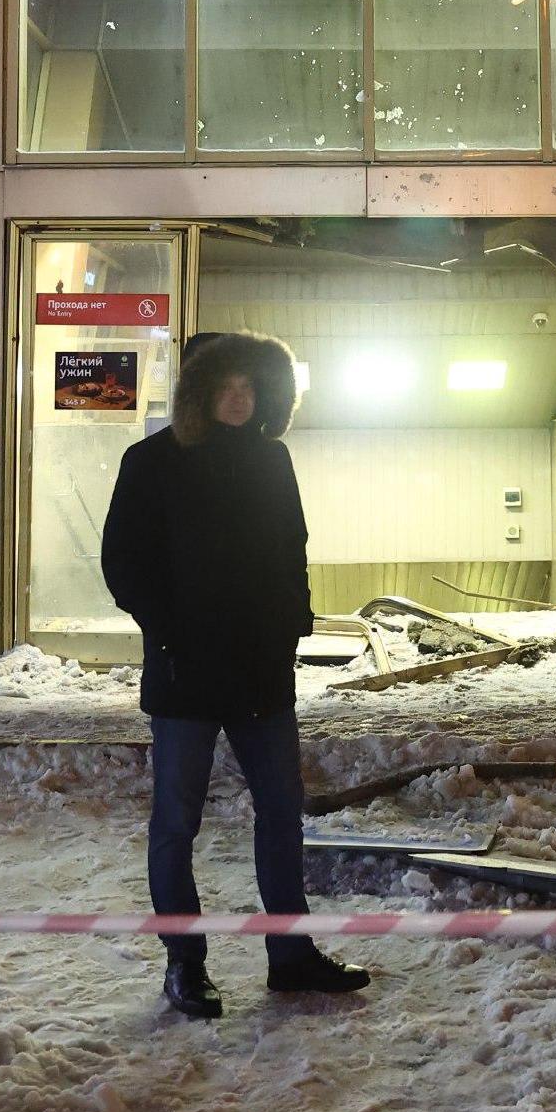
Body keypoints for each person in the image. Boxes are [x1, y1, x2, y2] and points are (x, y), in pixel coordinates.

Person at [100, 330, 369, 1018]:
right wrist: (171, 632)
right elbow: (123, 563)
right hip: (184, 674)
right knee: (176, 823)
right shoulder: (151, 462)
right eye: (226, 386)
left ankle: (291, 955)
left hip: (259, 674)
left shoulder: (271, 459)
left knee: (281, 814)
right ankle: (185, 964)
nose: (240, 398)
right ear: (199, 392)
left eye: (251, 386)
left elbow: (291, 548)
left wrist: (291, 624)